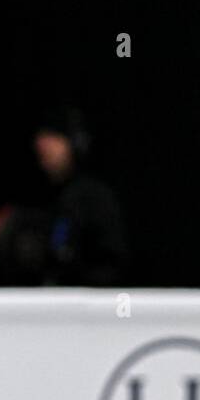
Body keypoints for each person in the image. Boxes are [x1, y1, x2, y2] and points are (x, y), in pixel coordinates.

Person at [32, 105, 129, 285]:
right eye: (42, 136)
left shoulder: (94, 197)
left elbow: (113, 267)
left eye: (54, 135)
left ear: (74, 142)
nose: (43, 144)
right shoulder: (43, 197)